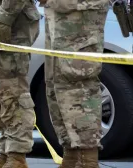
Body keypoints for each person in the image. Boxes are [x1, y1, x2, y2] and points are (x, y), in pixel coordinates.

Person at [39, 0, 110, 167]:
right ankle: (71, 157)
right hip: (58, 11)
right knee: (56, 85)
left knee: (78, 86)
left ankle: (87, 161)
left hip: (80, 10)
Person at [0, 0, 40, 167]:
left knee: (13, 93)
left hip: (13, 19)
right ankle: (5, 152)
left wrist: (4, 19)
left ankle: (17, 156)